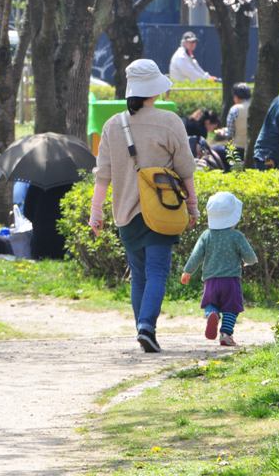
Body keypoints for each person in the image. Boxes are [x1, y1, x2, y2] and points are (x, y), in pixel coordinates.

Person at [89, 58, 199, 353]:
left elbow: (103, 176)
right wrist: (193, 208)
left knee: (139, 275)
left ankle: (143, 328)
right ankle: (146, 327)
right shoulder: (170, 122)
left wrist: (95, 213)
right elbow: (186, 170)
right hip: (161, 210)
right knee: (158, 272)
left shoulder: (113, 125)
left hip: (125, 213)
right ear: (155, 90)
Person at [180, 191, 257, 346]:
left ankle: (211, 314)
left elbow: (196, 255)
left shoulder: (206, 235)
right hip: (231, 281)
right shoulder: (236, 236)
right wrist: (249, 261)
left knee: (210, 303)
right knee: (231, 308)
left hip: (210, 282)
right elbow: (250, 256)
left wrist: (187, 271)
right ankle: (225, 334)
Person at [23, 182, 73, 260]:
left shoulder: (37, 183)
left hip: (40, 237)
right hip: (63, 240)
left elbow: (27, 211)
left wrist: (38, 221)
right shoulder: (71, 182)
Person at [224, 83, 251, 159]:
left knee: (236, 169)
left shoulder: (235, 109)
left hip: (238, 146)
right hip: (252, 146)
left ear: (236, 96)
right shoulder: (254, 107)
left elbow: (230, 131)